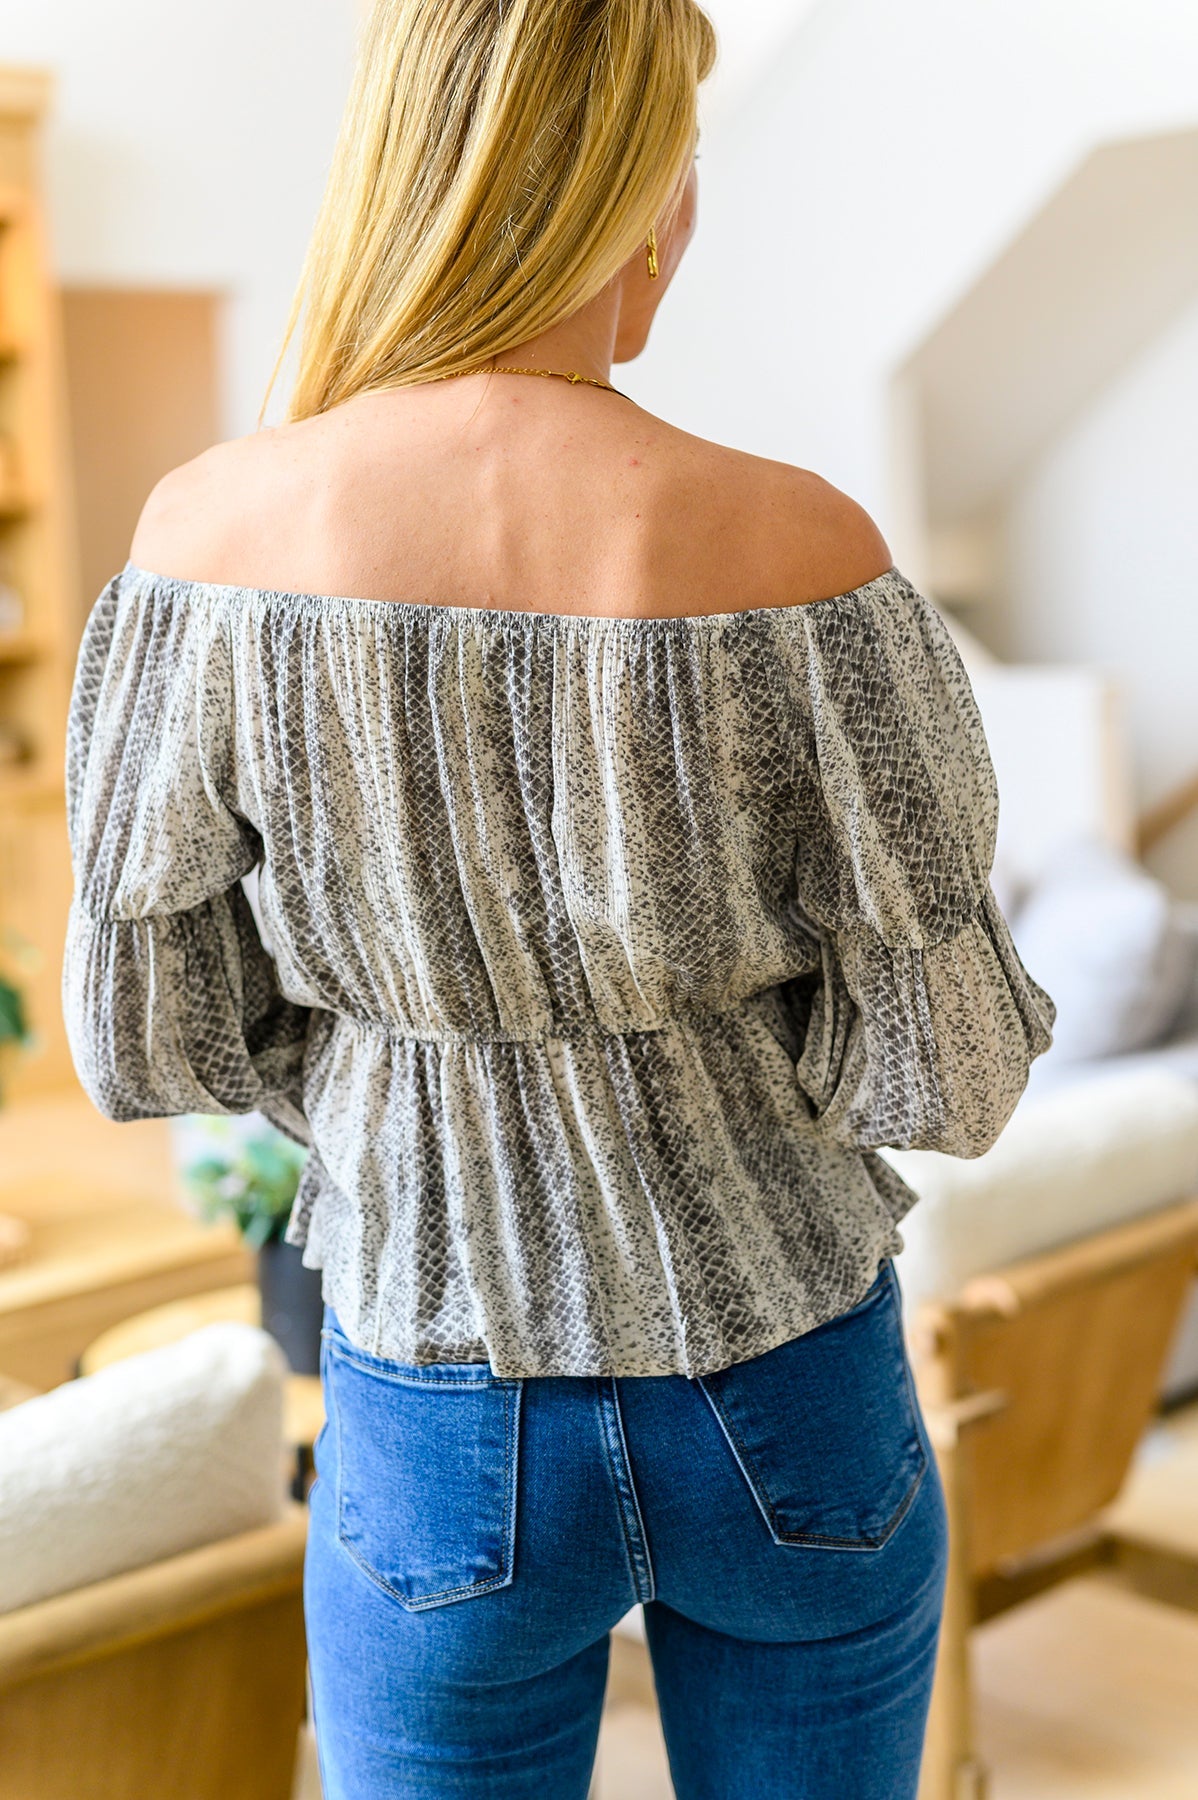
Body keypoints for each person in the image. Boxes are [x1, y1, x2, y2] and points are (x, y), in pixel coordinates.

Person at [61, 2, 1057, 1795]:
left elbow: (150, 1038)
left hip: (431, 1381)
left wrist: (410, 1059)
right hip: (788, 1372)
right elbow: (948, 1069)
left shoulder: (206, 546)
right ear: (632, 190)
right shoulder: (805, 550)